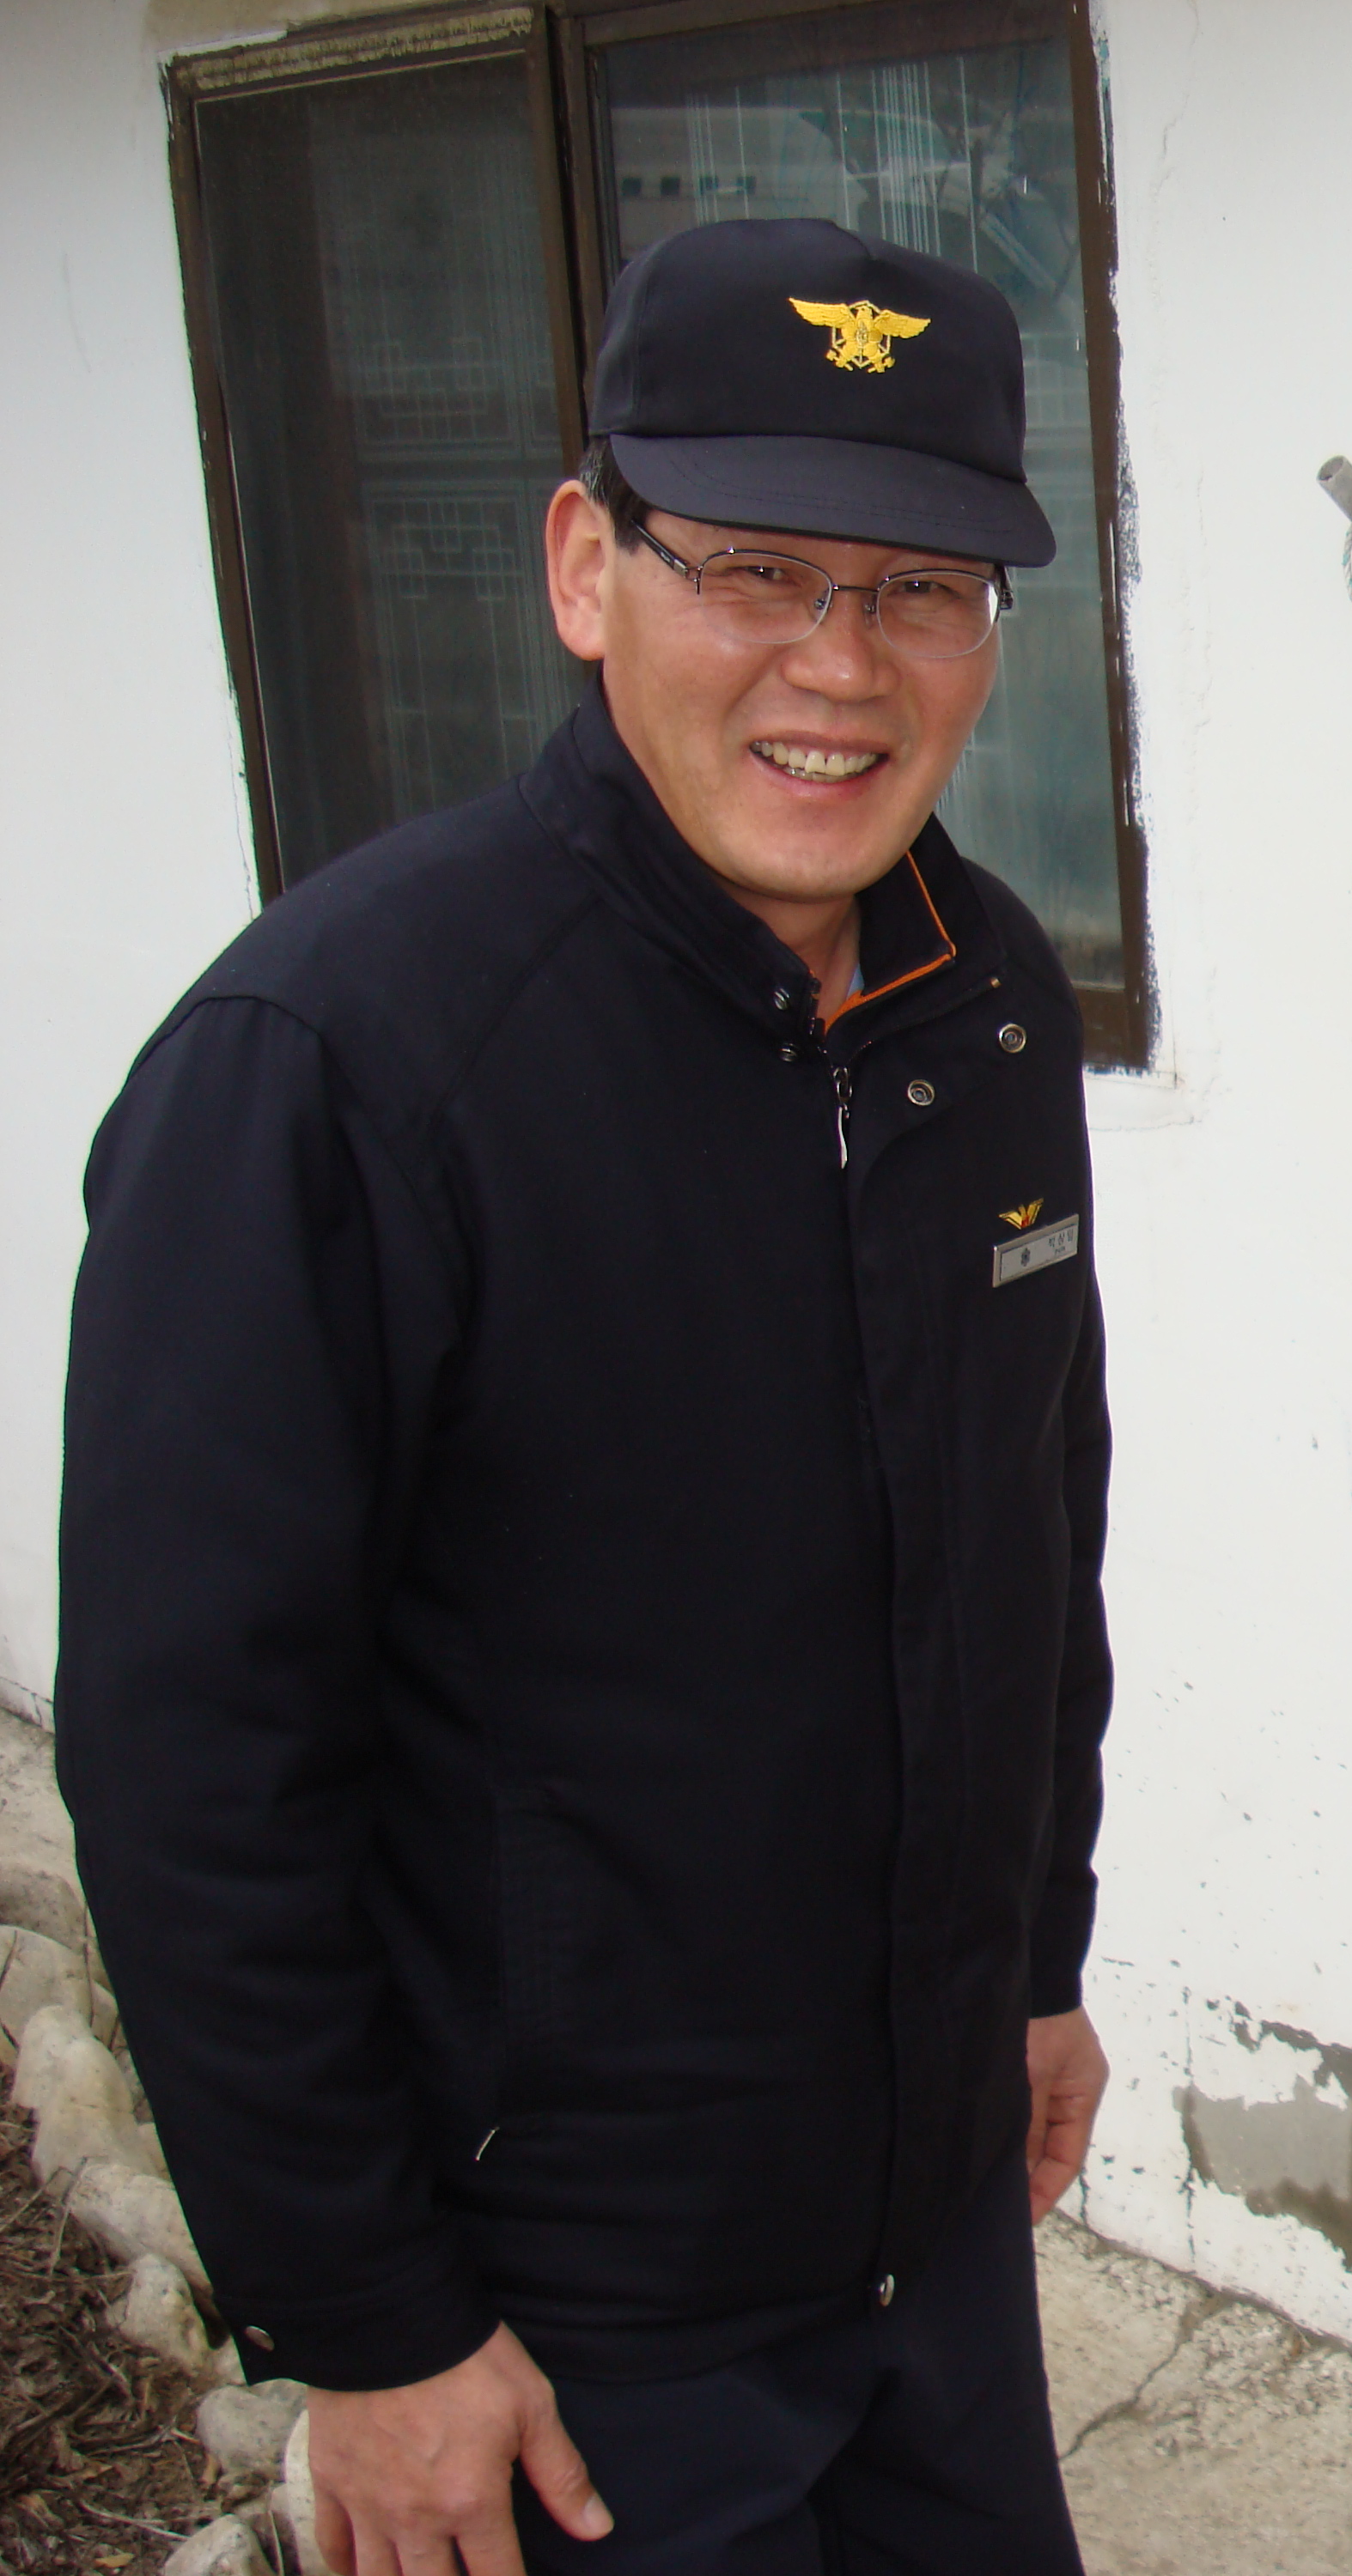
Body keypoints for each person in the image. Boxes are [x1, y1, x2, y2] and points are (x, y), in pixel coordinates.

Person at [58, 218, 1111, 2575]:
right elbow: (193, 1759)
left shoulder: (985, 1001)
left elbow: (1034, 1532)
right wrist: (370, 2322)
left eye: (923, 587)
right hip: (569, 2333)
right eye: (753, 568)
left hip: (929, 2249)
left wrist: (1031, 1969)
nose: (840, 664)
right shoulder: (339, 1067)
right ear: (581, 565)